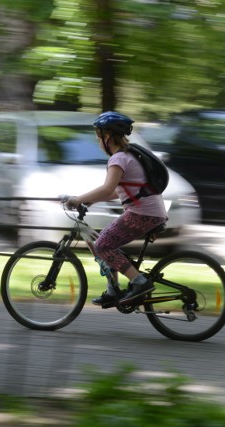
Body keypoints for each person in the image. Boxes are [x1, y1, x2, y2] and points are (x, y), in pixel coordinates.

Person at [66, 111, 168, 307]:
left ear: (108, 137)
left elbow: (107, 188)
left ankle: (139, 282)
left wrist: (78, 199)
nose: (98, 141)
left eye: (98, 136)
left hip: (143, 214)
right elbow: (121, 191)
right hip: (149, 212)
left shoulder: (118, 158)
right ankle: (113, 290)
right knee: (106, 241)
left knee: (103, 245)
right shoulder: (127, 156)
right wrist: (91, 201)